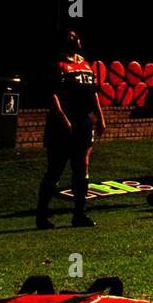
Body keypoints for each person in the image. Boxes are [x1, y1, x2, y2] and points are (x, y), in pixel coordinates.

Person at [36, 30, 105, 229]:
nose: (79, 40)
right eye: (75, 38)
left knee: (82, 167)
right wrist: (62, 117)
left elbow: (93, 93)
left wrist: (100, 117)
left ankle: (79, 214)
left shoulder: (85, 65)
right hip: (62, 124)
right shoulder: (58, 64)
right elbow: (53, 94)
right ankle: (42, 216)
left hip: (83, 122)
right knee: (55, 169)